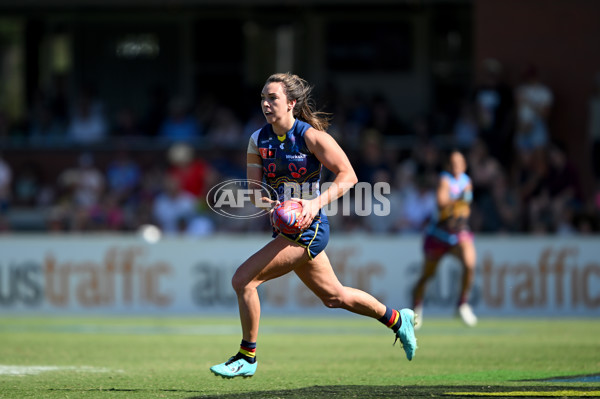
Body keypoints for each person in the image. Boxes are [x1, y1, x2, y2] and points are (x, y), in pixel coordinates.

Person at [210, 72, 417, 379]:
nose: (266, 104)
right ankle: (398, 320)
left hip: (310, 230)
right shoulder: (257, 140)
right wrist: (274, 206)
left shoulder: (311, 137)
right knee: (335, 297)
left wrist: (312, 203)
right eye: (263, 98)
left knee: (244, 281)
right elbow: (256, 193)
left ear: (292, 103)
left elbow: (348, 176)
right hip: (286, 229)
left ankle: (247, 356)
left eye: (273, 98)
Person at [412, 150, 477, 329]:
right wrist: (458, 201)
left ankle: (462, 304)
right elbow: (441, 202)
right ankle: (416, 307)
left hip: (458, 232)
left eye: (459, 162)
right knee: (427, 275)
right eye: (453, 162)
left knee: (470, 263)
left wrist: (462, 211)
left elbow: (467, 208)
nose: (456, 166)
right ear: (448, 165)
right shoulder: (445, 179)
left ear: (464, 165)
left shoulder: (467, 182)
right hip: (439, 234)